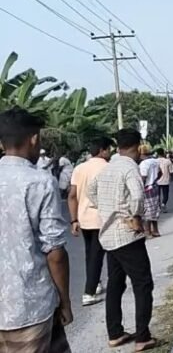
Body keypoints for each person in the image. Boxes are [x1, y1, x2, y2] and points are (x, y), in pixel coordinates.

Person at [0, 107, 72, 352]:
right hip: (31, 305)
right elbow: (55, 252)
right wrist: (65, 300)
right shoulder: (39, 181)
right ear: (33, 139)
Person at [87, 129, 157, 350]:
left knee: (116, 283)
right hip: (127, 235)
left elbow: (91, 191)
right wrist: (134, 215)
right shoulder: (129, 168)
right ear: (138, 147)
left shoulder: (109, 167)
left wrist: (107, 209)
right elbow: (137, 196)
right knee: (143, 283)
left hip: (108, 236)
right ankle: (143, 337)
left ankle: (115, 332)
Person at [69, 137, 114, 307]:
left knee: (91, 253)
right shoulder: (108, 168)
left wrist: (73, 219)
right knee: (98, 255)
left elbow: (72, 196)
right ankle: (88, 292)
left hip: (84, 217)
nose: (110, 153)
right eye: (109, 149)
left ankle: (95, 284)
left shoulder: (80, 168)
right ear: (102, 150)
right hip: (101, 218)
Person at [139, 146, 162, 237]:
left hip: (147, 188)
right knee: (155, 209)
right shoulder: (155, 161)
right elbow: (161, 173)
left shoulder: (144, 164)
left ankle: (148, 232)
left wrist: (140, 186)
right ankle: (155, 230)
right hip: (155, 187)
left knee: (146, 211)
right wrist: (154, 180)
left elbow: (143, 177)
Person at [156, 149, 173, 213]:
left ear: (157, 154)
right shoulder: (168, 161)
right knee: (165, 194)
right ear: (163, 153)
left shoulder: (155, 161)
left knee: (157, 194)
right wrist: (172, 177)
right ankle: (163, 204)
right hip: (165, 180)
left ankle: (158, 206)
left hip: (157, 181)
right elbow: (171, 171)